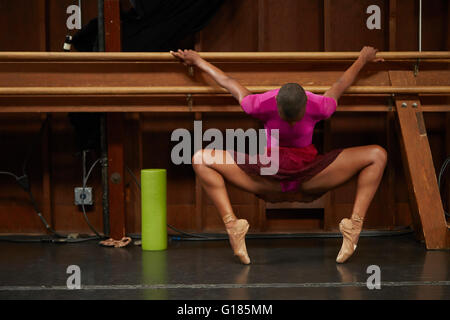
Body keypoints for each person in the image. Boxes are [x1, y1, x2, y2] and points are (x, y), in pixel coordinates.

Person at [171, 47, 387, 264]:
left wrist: (362, 59)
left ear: (305, 107)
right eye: (287, 119)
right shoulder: (267, 104)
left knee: (377, 155)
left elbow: (342, 83)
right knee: (200, 158)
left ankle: (354, 226)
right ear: (277, 107)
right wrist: (197, 60)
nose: (292, 123)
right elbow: (226, 81)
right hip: (271, 177)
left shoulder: (313, 105)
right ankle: (233, 226)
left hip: (307, 175)